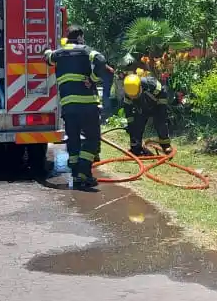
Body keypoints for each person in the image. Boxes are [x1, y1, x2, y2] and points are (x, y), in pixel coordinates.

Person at [44, 26, 113, 191]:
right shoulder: (86, 50)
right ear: (80, 37)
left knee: (73, 140)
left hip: (69, 106)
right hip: (87, 105)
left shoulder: (59, 53)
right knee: (92, 139)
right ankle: (84, 171)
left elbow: (47, 58)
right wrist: (93, 78)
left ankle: (76, 174)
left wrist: (47, 49)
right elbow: (101, 60)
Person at [122, 71, 171, 157]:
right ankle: (136, 148)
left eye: (136, 95)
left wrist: (161, 111)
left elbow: (163, 94)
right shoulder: (128, 92)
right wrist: (130, 124)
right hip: (141, 108)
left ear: (140, 87)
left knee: (161, 123)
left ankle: (165, 145)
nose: (134, 97)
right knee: (136, 125)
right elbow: (128, 109)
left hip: (157, 105)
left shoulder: (152, 85)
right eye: (132, 96)